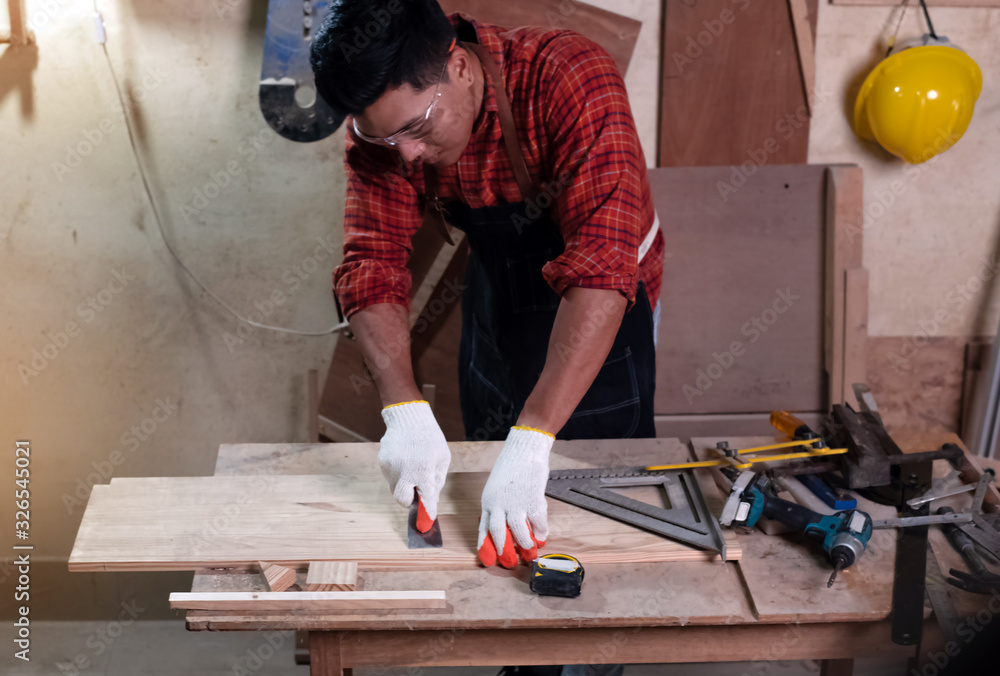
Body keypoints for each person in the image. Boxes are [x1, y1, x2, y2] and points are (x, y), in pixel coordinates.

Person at [310, 0, 663, 572]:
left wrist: (534, 438)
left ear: (461, 68)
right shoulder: (385, 133)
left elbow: (601, 269)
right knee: (495, 464)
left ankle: (588, 659)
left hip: (603, 299)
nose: (407, 155)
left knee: (598, 511)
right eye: (383, 139)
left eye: (417, 130)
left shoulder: (569, 77)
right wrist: (401, 406)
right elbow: (372, 260)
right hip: (498, 282)